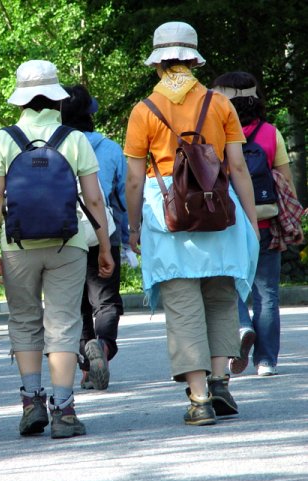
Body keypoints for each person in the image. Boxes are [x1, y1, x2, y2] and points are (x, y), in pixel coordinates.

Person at [123, 22, 260, 426]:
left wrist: (133, 226)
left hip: (167, 213)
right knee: (220, 298)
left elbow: (134, 179)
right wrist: (251, 222)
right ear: (194, 60)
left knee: (182, 305)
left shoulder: (144, 110)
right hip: (220, 211)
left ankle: (199, 399)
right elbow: (238, 167)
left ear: (158, 63)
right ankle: (220, 382)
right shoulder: (220, 105)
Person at [0, 60, 115, 439]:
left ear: (21, 100)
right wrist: (104, 246)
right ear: (56, 99)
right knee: (64, 322)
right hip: (67, 244)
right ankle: (64, 410)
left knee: (25, 321)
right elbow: (94, 199)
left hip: (17, 244)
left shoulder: (3, 139)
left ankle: (31, 403)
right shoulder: (73, 139)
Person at [212, 71, 304, 377]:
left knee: (228, 286)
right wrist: (292, 219)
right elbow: (286, 183)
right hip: (265, 222)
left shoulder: (215, 133)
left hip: (227, 224)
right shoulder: (270, 133)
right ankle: (266, 361)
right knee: (267, 295)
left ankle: (242, 326)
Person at [61, 84, 127, 391]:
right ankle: (103, 345)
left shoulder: (50, 147)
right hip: (103, 232)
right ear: (90, 114)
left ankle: (87, 370)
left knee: (77, 306)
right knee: (106, 301)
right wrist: (128, 236)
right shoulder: (110, 149)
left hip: (64, 235)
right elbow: (122, 199)